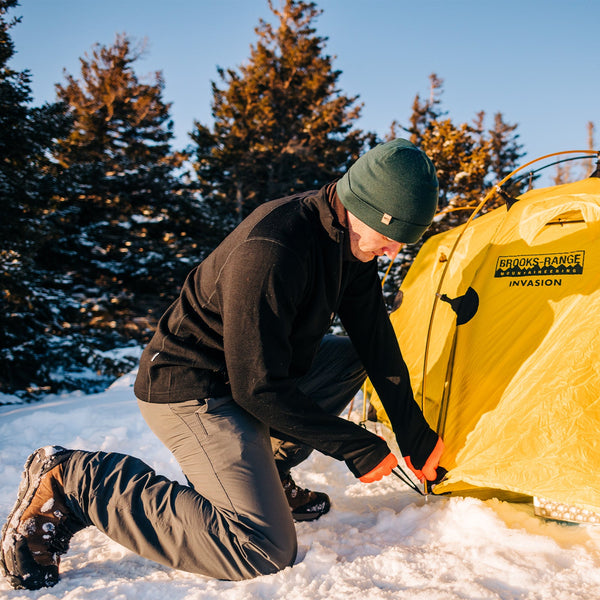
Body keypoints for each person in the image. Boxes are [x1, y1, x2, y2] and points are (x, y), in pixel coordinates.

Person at [0, 139, 445, 590]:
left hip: (249, 377)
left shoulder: (350, 244)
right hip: (191, 386)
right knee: (262, 548)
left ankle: (269, 472)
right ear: (362, 207)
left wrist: (414, 432)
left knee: (349, 359)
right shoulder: (276, 247)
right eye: (390, 240)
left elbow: (375, 341)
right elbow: (259, 388)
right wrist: (355, 445)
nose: (391, 253)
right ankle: (76, 481)